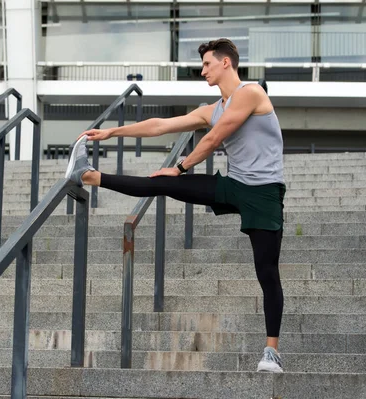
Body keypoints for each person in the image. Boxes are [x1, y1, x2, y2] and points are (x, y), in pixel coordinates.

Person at [65, 38, 286, 373]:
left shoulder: (252, 93)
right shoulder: (212, 108)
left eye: (207, 64)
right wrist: (111, 132)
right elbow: (160, 125)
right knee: (162, 183)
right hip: (234, 185)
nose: (203, 71)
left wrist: (181, 166)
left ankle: (271, 352)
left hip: (265, 193)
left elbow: (213, 138)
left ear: (226, 63)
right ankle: (88, 176)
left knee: (267, 272)